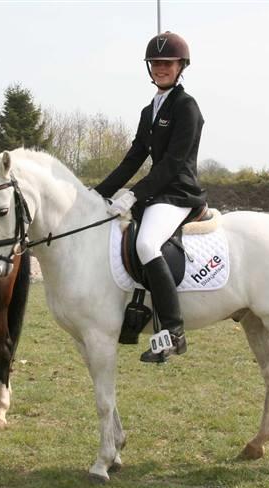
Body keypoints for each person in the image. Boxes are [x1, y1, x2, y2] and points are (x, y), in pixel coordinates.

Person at [94, 32, 207, 362]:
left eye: (167, 63)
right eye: (155, 63)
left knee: (146, 245)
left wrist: (134, 194)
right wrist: (95, 194)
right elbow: (133, 158)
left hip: (178, 193)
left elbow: (173, 163)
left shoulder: (187, 107)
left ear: (180, 66)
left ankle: (173, 332)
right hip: (156, 194)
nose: (160, 68)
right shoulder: (149, 111)